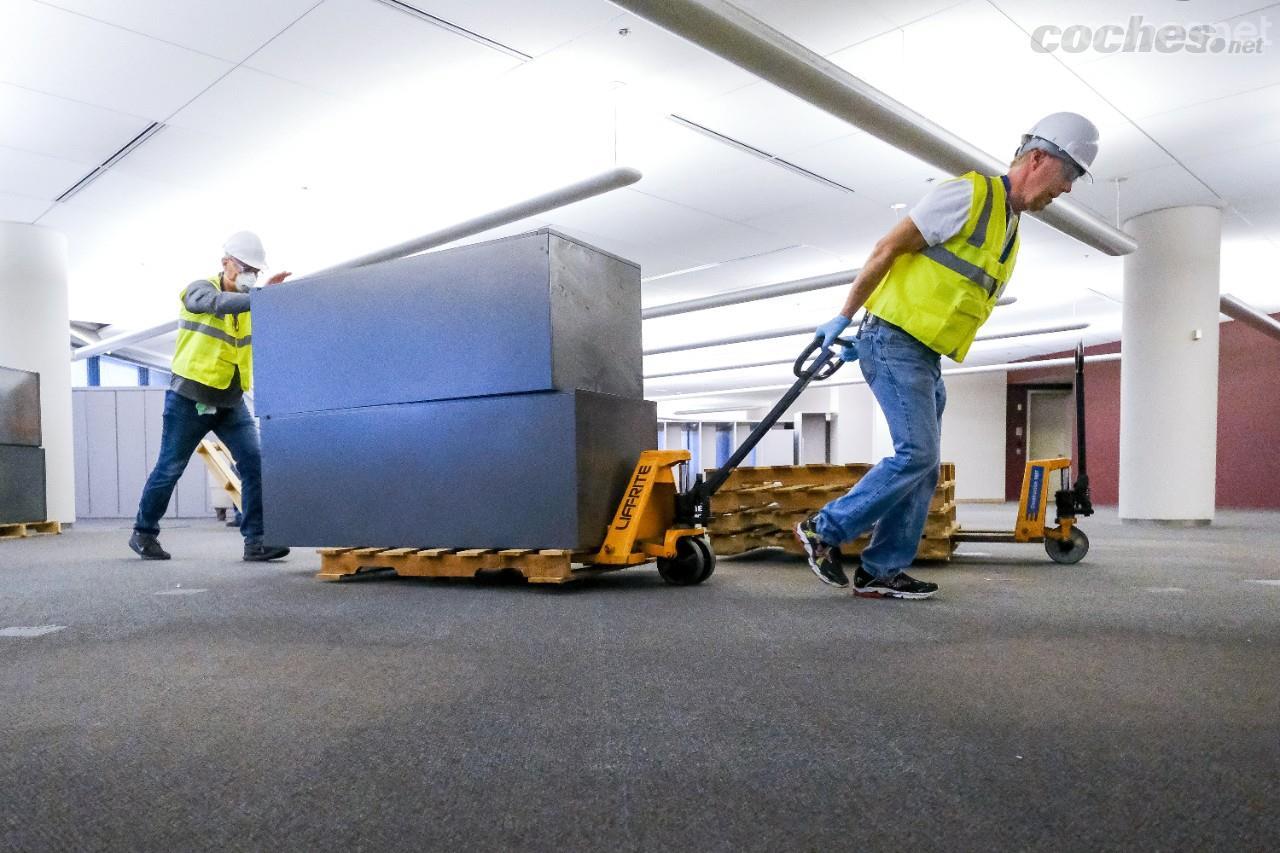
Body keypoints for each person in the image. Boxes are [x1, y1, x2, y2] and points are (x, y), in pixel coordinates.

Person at [795, 113, 1100, 600]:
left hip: (922, 353)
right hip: (896, 343)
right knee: (916, 453)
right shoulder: (968, 195)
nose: (1064, 192)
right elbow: (887, 249)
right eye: (1068, 177)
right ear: (1039, 158)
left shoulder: (1009, 226)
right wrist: (847, 318)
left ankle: (881, 569)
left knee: (924, 464)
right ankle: (823, 529)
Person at [129, 231, 293, 562]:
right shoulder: (200, 288)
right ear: (226, 264)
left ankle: (256, 540)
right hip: (190, 399)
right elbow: (215, 305)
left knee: (254, 462)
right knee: (170, 467)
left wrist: (271, 299)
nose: (251, 275)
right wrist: (261, 297)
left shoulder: (251, 303)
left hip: (230, 401)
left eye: (256, 271)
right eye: (246, 268)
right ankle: (143, 533)